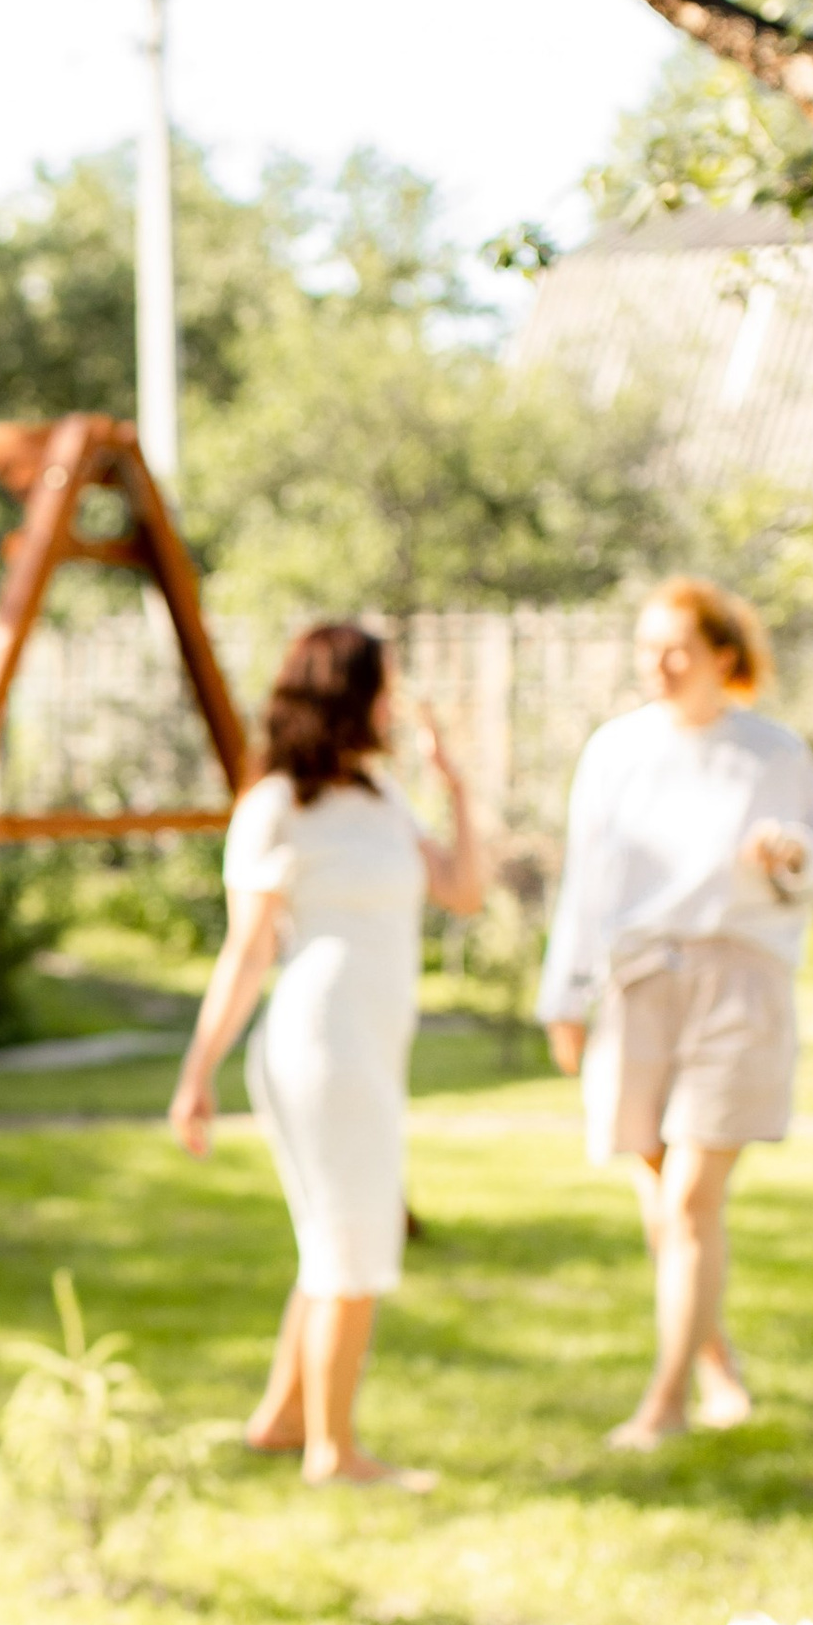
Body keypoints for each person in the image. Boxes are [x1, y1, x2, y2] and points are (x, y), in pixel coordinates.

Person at [168, 621, 484, 1486]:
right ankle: (335, 1454)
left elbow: (465, 890)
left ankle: (282, 1419)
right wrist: (198, 1076)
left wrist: (456, 789)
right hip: (322, 1043)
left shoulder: (380, 797)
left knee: (332, 1238)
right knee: (354, 1242)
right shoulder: (276, 804)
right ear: (349, 695)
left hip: (370, 1046)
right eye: (382, 687)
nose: (392, 702)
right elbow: (247, 952)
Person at [538, 576, 813, 1450]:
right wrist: (563, 996)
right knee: (658, 1199)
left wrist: (791, 854)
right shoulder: (615, 750)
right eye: (646, 649)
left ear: (723, 655)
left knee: (690, 1202)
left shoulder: (773, 752)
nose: (658, 666)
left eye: (675, 648)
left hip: (738, 982)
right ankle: (717, 1367)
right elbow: (585, 883)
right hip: (637, 985)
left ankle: (664, 1404)